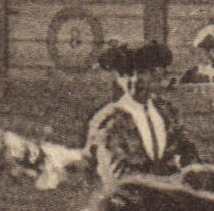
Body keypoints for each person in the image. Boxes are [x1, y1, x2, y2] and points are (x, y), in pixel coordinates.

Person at [85, 41, 200, 182]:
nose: (133, 80)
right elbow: (116, 174)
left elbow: (187, 153)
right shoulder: (109, 119)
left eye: (140, 72)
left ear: (152, 74)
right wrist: (168, 184)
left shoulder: (166, 112)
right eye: (124, 74)